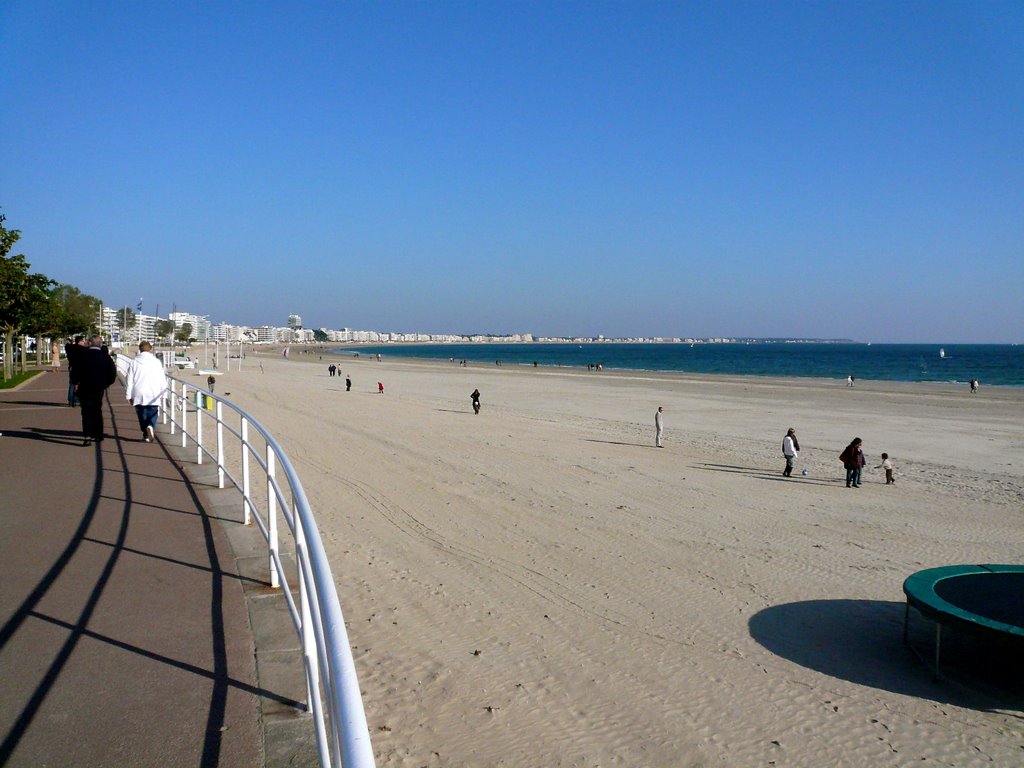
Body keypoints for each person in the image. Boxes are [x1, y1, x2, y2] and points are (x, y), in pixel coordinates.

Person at [71, 335, 117, 445]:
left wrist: (75, 382)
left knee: (86, 412)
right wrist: (107, 383)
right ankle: (98, 435)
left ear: (90, 343)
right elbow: (112, 372)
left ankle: (87, 436)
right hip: (99, 387)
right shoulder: (105, 356)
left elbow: (75, 370)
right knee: (97, 410)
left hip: (85, 386)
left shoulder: (83, 355)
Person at [125, 340, 167, 443]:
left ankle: (146, 433)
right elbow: (162, 378)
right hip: (154, 392)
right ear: (150, 349)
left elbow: (129, 379)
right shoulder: (156, 361)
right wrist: (164, 393)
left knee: (142, 414)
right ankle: (150, 426)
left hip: (138, 391)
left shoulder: (134, 361)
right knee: (153, 412)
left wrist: (128, 395)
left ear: (139, 349)